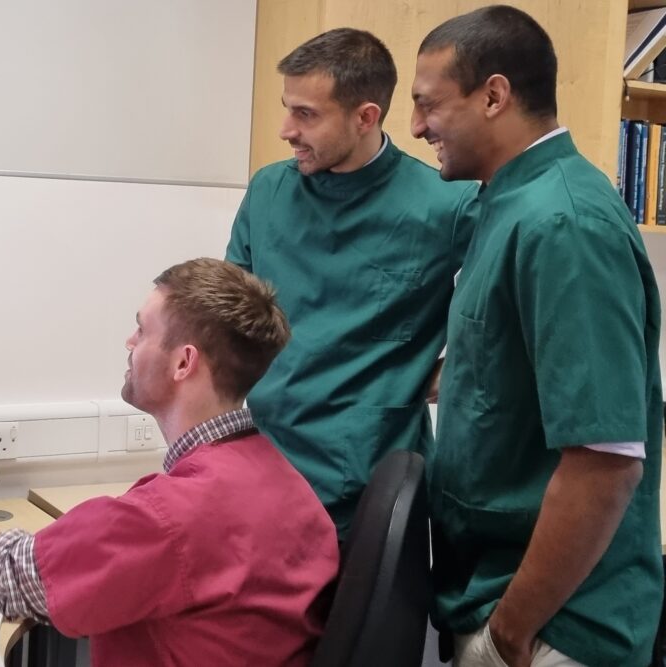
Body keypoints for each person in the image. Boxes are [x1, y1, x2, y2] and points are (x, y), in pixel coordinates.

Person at [0, 258, 339, 666]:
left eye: (142, 330)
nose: (129, 341)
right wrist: (13, 581)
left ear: (183, 363)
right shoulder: (285, 483)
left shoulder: (171, 517)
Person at [411, 6, 663, 666]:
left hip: (554, 624)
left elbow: (604, 463)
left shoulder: (565, 223)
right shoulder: (509, 202)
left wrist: (511, 631)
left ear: (494, 95)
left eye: (428, 105)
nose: (414, 127)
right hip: (495, 593)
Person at [226, 28, 477, 538]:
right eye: (287, 108)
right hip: (261, 470)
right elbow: (224, 318)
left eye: (306, 114)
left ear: (366, 116)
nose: (286, 130)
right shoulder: (269, 190)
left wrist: (463, 368)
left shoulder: (448, 207)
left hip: (371, 492)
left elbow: (512, 307)